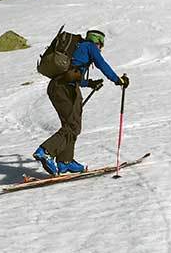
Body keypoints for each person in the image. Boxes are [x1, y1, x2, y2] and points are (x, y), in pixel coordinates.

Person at [33, 30, 128, 176]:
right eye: (100, 45)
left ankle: (65, 161)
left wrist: (89, 83)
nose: (100, 49)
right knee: (72, 126)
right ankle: (46, 151)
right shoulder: (90, 47)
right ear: (98, 42)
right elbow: (102, 64)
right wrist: (118, 80)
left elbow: (72, 76)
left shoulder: (78, 48)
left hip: (58, 87)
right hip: (66, 90)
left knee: (71, 125)